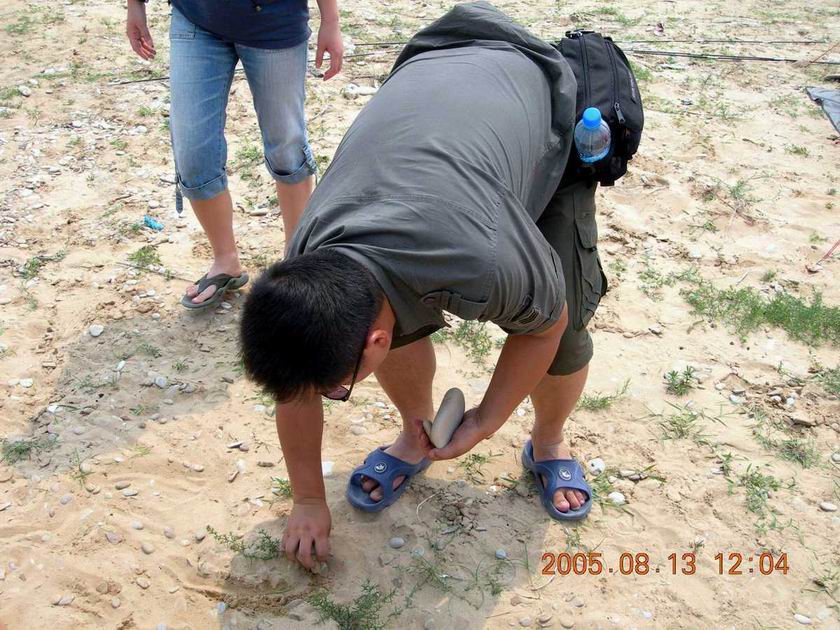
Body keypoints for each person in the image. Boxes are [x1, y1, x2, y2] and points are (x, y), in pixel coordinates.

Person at [240, 2, 608, 570]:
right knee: (389, 312)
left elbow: (545, 327)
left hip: (534, 101)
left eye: (337, 389)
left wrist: (484, 421)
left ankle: (548, 442)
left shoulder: (484, 260)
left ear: (374, 345)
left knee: (567, 326)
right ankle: (416, 436)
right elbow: (297, 389)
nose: (327, 393)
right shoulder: (310, 261)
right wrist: (308, 498)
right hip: (434, 77)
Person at [125, 0, 344, 309]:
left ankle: (296, 262)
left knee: (286, 146)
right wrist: (135, 4)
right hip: (196, 18)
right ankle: (225, 261)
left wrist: (330, 20)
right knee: (192, 151)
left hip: (275, 22)